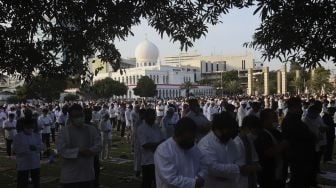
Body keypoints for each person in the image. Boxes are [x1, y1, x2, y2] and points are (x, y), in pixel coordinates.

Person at [198, 112, 257, 188]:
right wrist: (238, 169)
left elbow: (238, 160)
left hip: (232, 184)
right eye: (227, 131)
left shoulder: (230, 142)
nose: (229, 134)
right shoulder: (206, 144)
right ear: (217, 129)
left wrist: (237, 169)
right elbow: (213, 168)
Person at [57, 104, 102, 188]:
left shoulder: (91, 129)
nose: (79, 118)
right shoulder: (64, 132)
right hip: (70, 176)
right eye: (76, 116)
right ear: (70, 118)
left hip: (87, 175)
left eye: (81, 115)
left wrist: (90, 151)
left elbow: (99, 145)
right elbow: (62, 150)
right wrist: (78, 152)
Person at [154, 117, 207, 188]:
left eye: (193, 138)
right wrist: (194, 183)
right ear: (178, 135)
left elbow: (203, 165)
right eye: (188, 138)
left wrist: (201, 176)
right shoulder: (164, 150)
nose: (191, 141)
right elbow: (170, 178)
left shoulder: (193, 147)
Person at [281, 97, 315, 188]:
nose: (301, 110)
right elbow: (298, 136)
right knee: (298, 179)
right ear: (293, 108)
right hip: (298, 154)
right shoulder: (289, 121)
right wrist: (311, 136)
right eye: (299, 107)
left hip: (302, 154)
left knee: (301, 179)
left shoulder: (295, 120)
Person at [254, 109, 288, 188]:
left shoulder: (276, 132)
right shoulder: (262, 134)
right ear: (265, 120)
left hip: (280, 174)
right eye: (273, 117)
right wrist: (283, 145)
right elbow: (268, 153)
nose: (276, 119)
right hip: (268, 174)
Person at [137, 108, 164, 188]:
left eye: (154, 116)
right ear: (146, 117)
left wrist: (158, 145)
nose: (154, 118)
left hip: (159, 160)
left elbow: (162, 139)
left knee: (158, 182)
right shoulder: (141, 128)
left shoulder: (156, 126)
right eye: (152, 116)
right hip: (148, 161)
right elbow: (145, 145)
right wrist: (158, 145)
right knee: (147, 183)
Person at [13, 118, 42, 188]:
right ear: (24, 127)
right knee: (22, 182)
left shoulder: (37, 135)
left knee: (36, 182)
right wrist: (28, 148)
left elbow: (41, 146)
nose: (30, 129)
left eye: (32, 127)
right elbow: (16, 149)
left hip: (35, 162)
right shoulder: (18, 136)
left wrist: (36, 148)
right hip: (23, 163)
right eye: (28, 127)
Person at [233, 115, 261, 188]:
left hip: (251, 181)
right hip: (241, 182)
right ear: (247, 128)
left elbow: (255, 160)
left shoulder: (249, 141)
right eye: (255, 132)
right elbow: (242, 169)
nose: (256, 135)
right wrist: (256, 167)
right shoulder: (237, 143)